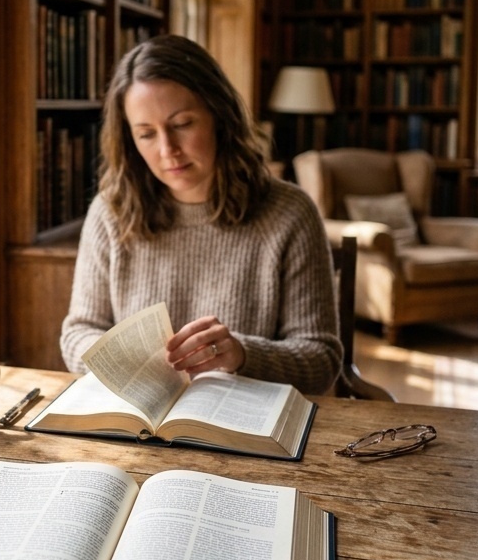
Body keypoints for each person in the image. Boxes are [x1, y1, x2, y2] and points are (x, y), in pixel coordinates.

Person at [60, 34, 341, 394]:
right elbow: (78, 332)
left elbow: (322, 360)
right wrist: (117, 366)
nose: (168, 150)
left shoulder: (290, 214)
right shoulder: (110, 212)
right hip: (140, 425)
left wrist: (242, 354)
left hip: (245, 428)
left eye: (182, 124)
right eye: (146, 134)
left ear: (219, 115)